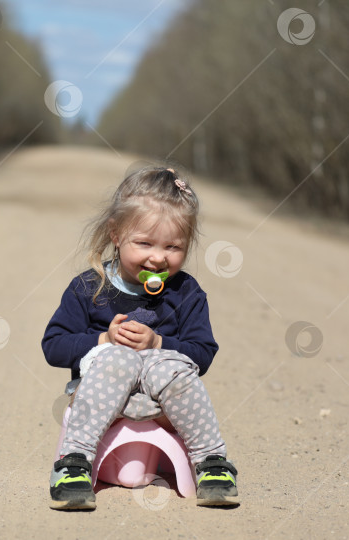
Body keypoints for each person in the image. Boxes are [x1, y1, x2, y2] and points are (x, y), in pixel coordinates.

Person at [42, 166, 239, 510]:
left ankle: (211, 463)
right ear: (116, 234)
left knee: (171, 369)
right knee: (117, 359)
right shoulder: (89, 288)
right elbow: (54, 345)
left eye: (173, 247)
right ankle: (74, 464)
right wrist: (103, 340)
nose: (158, 257)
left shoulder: (187, 292)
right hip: (101, 403)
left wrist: (158, 344)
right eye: (145, 243)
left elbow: (203, 353)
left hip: (163, 407)